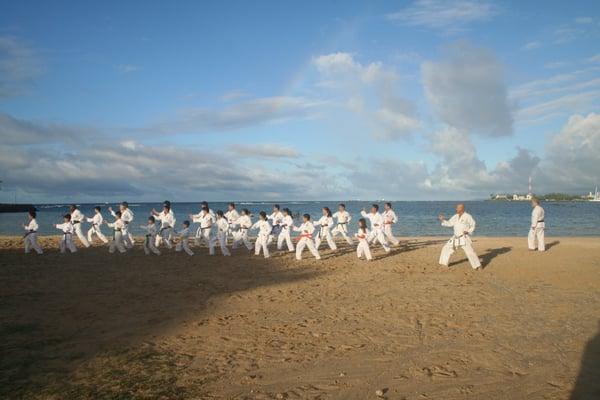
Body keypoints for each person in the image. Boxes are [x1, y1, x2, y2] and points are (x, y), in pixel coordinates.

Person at [438, 203, 482, 270]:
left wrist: (468, 231)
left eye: (457, 208)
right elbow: (450, 223)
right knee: (446, 248)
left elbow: (473, 225)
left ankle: (478, 266)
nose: (456, 209)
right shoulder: (455, 216)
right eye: (456, 208)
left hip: (464, 237)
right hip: (455, 237)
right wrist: (442, 220)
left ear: (462, 208)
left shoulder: (468, 216)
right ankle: (444, 264)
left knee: (470, 252)